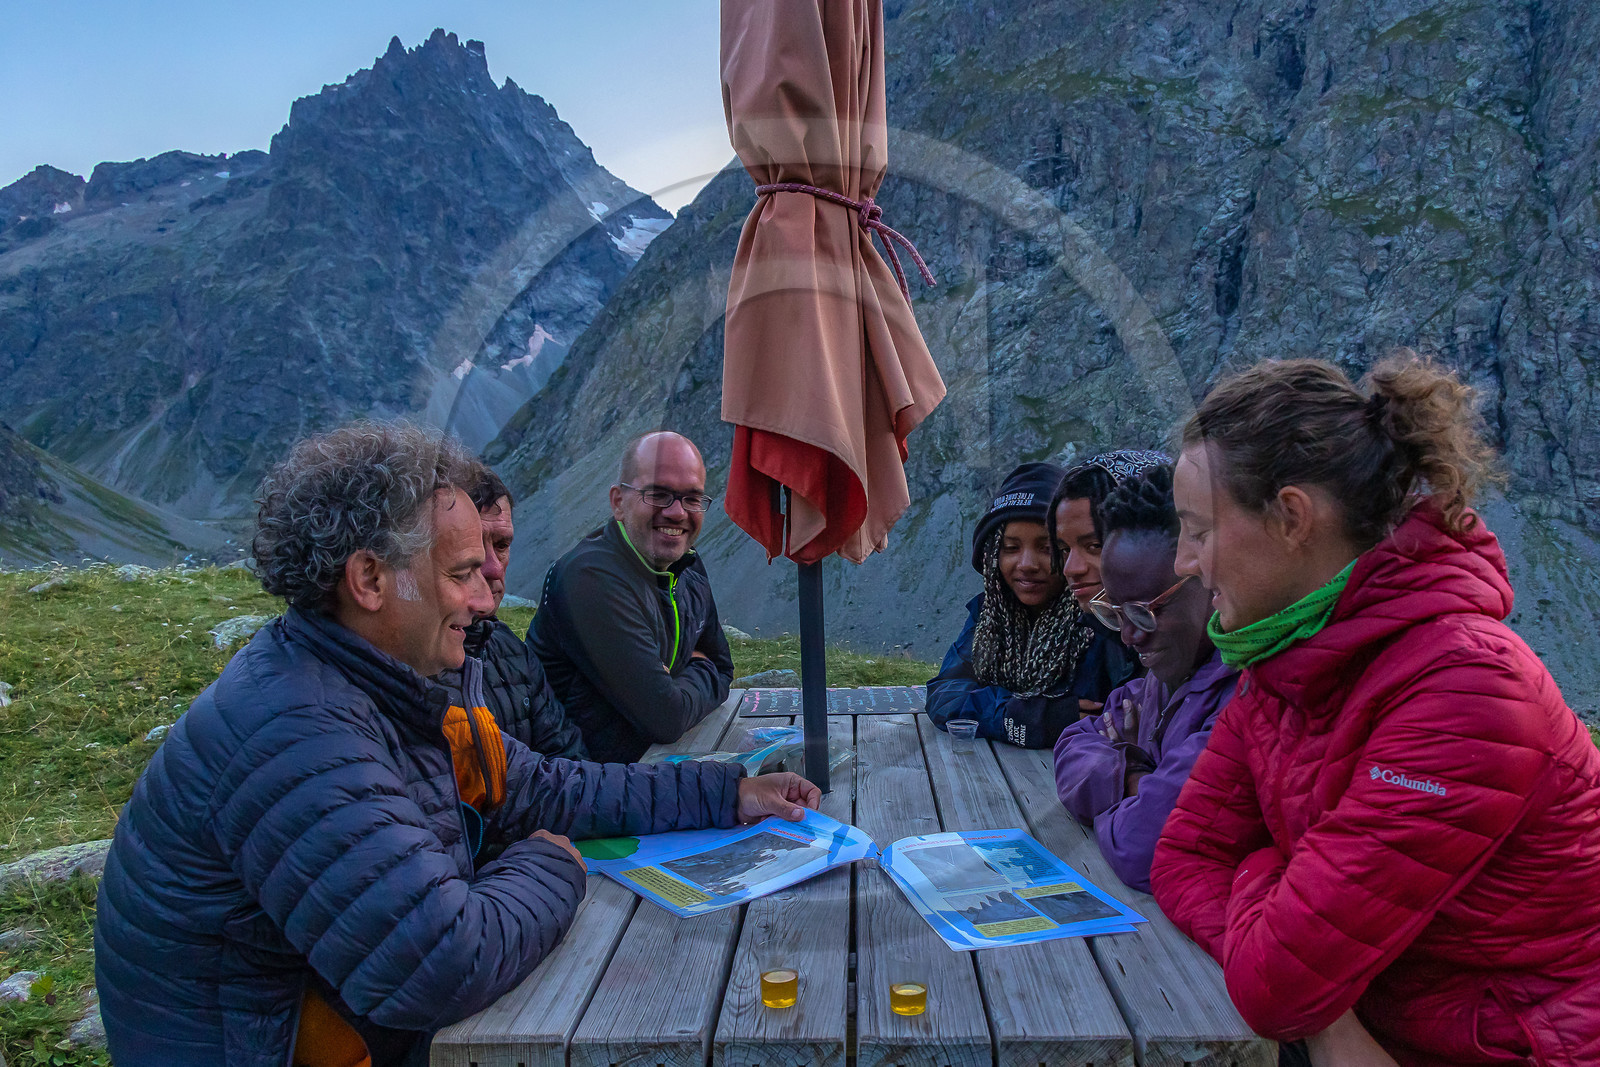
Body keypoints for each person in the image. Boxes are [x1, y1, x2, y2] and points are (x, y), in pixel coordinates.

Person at [93, 422, 819, 1067]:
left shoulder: (402, 682)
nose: (484, 597)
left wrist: (727, 791)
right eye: (461, 572)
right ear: (370, 578)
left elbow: (550, 786)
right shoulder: (299, 731)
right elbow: (439, 960)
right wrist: (548, 859)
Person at [1149, 356, 1600, 1066]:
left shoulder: (1468, 691)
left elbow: (1278, 985)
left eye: (1199, 529)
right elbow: (1181, 855)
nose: (1183, 561)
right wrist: (1331, 1015)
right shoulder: (1291, 663)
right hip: (1376, 1037)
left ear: (1293, 517)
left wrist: (1269, 880)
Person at [1052, 464, 1236, 892]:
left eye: (1145, 612)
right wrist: (1136, 778)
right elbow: (1073, 744)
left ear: (1209, 583)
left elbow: (1144, 849)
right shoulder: (1160, 681)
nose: (1130, 636)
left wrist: (1117, 778)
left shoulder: (1236, 696)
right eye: (1115, 613)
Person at [531, 431, 735, 763]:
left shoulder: (689, 566)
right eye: (658, 494)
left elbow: (723, 668)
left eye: (692, 498)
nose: (677, 512)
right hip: (582, 784)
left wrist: (679, 683)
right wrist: (696, 668)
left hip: (646, 772)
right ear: (618, 502)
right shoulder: (590, 578)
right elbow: (665, 718)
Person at [438, 463, 586, 759]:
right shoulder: (415, 662)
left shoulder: (513, 651)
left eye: (502, 545)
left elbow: (570, 760)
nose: (493, 567)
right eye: (474, 546)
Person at [1046, 449, 1171, 716]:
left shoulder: (1192, 646)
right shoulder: (1098, 628)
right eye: (1064, 549)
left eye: (1095, 545)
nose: (1071, 569)